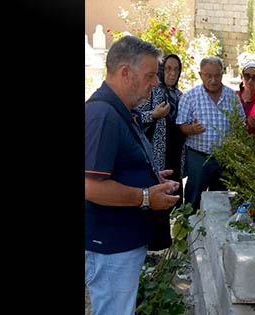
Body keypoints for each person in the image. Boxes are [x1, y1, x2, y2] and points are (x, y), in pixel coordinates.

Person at [84, 35, 180, 315]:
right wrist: (146, 196)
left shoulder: (120, 110)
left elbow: (115, 166)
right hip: (111, 244)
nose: (155, 83)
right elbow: (89, 186)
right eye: (150, 75)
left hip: (119, 241)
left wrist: (150, 176)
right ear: (125, 73)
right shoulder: (103, 113)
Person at [176, 56, 245, 211]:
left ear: (222, 74)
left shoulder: (231, 96)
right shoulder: (190, 96)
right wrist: (191, 129)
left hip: (224, 157)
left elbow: (240, 123)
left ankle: (215, 234)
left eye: (217, 75)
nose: (213, 80)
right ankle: (189, 233)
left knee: (220, 201)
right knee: (193, 199)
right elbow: (181, 124)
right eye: (208, 76)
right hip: (198, 156)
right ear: (200, 75)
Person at [137, 53, 186, 209]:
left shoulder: (180, 96)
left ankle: (178, 230)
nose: (172, 73)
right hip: (157, 153)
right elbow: (134, 118)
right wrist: (154, 114)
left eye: (176, 70)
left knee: (176, 196)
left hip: (176, 153)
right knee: (159, 195)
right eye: (168, 69)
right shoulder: (150, 92)